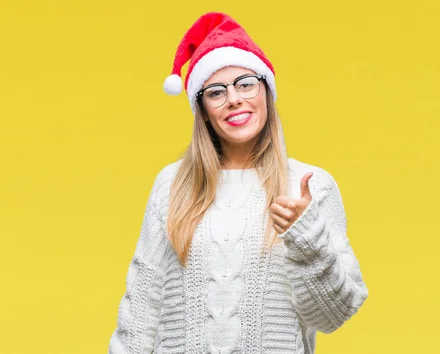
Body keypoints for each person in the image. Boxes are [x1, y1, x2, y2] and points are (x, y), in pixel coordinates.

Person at [108, 11, 368, 354]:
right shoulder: (171, 185)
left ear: (266, 91)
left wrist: (307, 237)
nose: (234, 98)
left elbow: (333, 315)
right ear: (202, 109)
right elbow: (141, 307)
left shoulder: (310, 186)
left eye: (245, 83)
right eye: (216, 91)